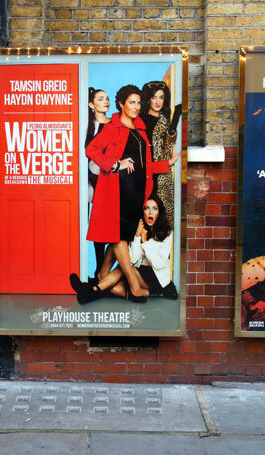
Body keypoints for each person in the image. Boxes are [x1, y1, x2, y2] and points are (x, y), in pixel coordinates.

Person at [82, 84, 180, 302]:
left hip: (137, 194)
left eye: (138, 102)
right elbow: (91, 150)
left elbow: (146, 166)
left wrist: (167, 164)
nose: (136, 107)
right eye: (131, 103)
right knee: (119, 239)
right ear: (121, 105)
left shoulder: (141, 130)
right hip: (118, 194)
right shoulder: (112, 128)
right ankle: (134, 287)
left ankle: (100, 278)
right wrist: (115, 164)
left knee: (123, 237)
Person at [71, 193, 178, 303]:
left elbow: (159, 264)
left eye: (154, 209)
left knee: (124, 268)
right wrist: (137, 237)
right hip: (138, 273)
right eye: (147, 208)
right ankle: (94, 288)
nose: (150, 212)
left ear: (159, 212)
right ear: (143, 212)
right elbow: (133, 259)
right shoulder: (139, 228)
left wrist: (145, 242)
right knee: (113, 288)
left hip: (156, 277)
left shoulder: (167, 233)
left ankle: (91, 290)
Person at [140, 81, 181, 225]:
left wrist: (175, 119)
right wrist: (167, 163)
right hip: (145, 176)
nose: (158, 101)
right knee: (143, 219)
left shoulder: (164, 121)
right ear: (148, 99)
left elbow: (168, 144)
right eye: (154, 97)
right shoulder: (140, 120)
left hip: (162, 177)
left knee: (162, 219)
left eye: (161, 97)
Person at [85, 88, 111, 279]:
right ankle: (92, 271)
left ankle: (101, 270)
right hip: (86, 179)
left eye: (107, 99)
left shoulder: (114, 124)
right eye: (100, 99)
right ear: (91, 104)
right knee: (85, 224)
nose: (105, 101)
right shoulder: (86, 125)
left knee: (102, 226)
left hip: (105, 177)